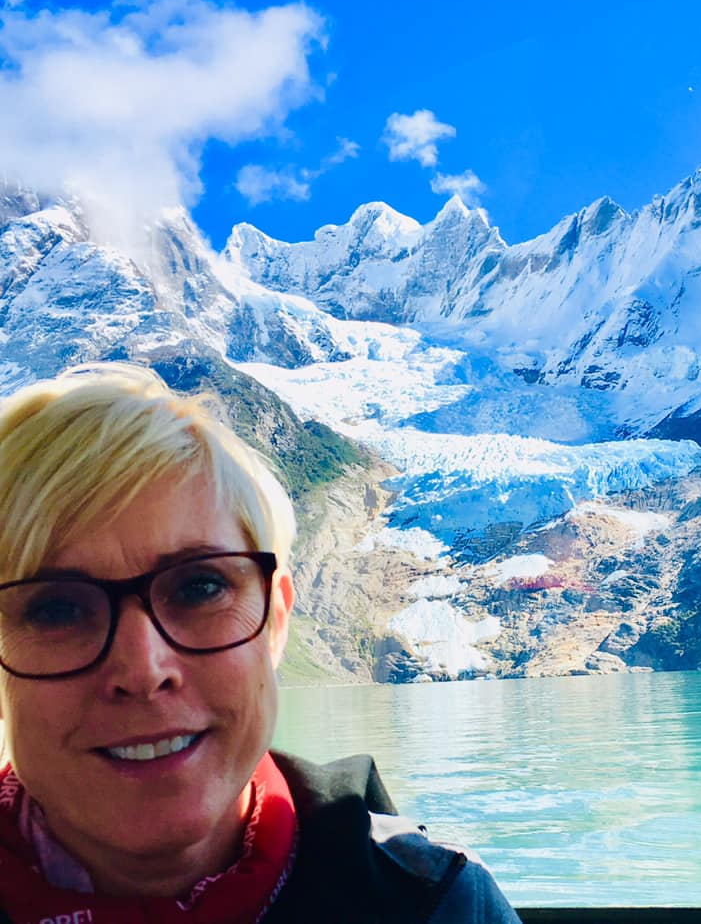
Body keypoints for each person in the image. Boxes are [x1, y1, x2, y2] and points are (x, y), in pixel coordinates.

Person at [0, 362, 520, 923]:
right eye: (56, 609)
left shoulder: (442, 904)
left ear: (275, 620)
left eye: (200, 587)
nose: (143, 669)